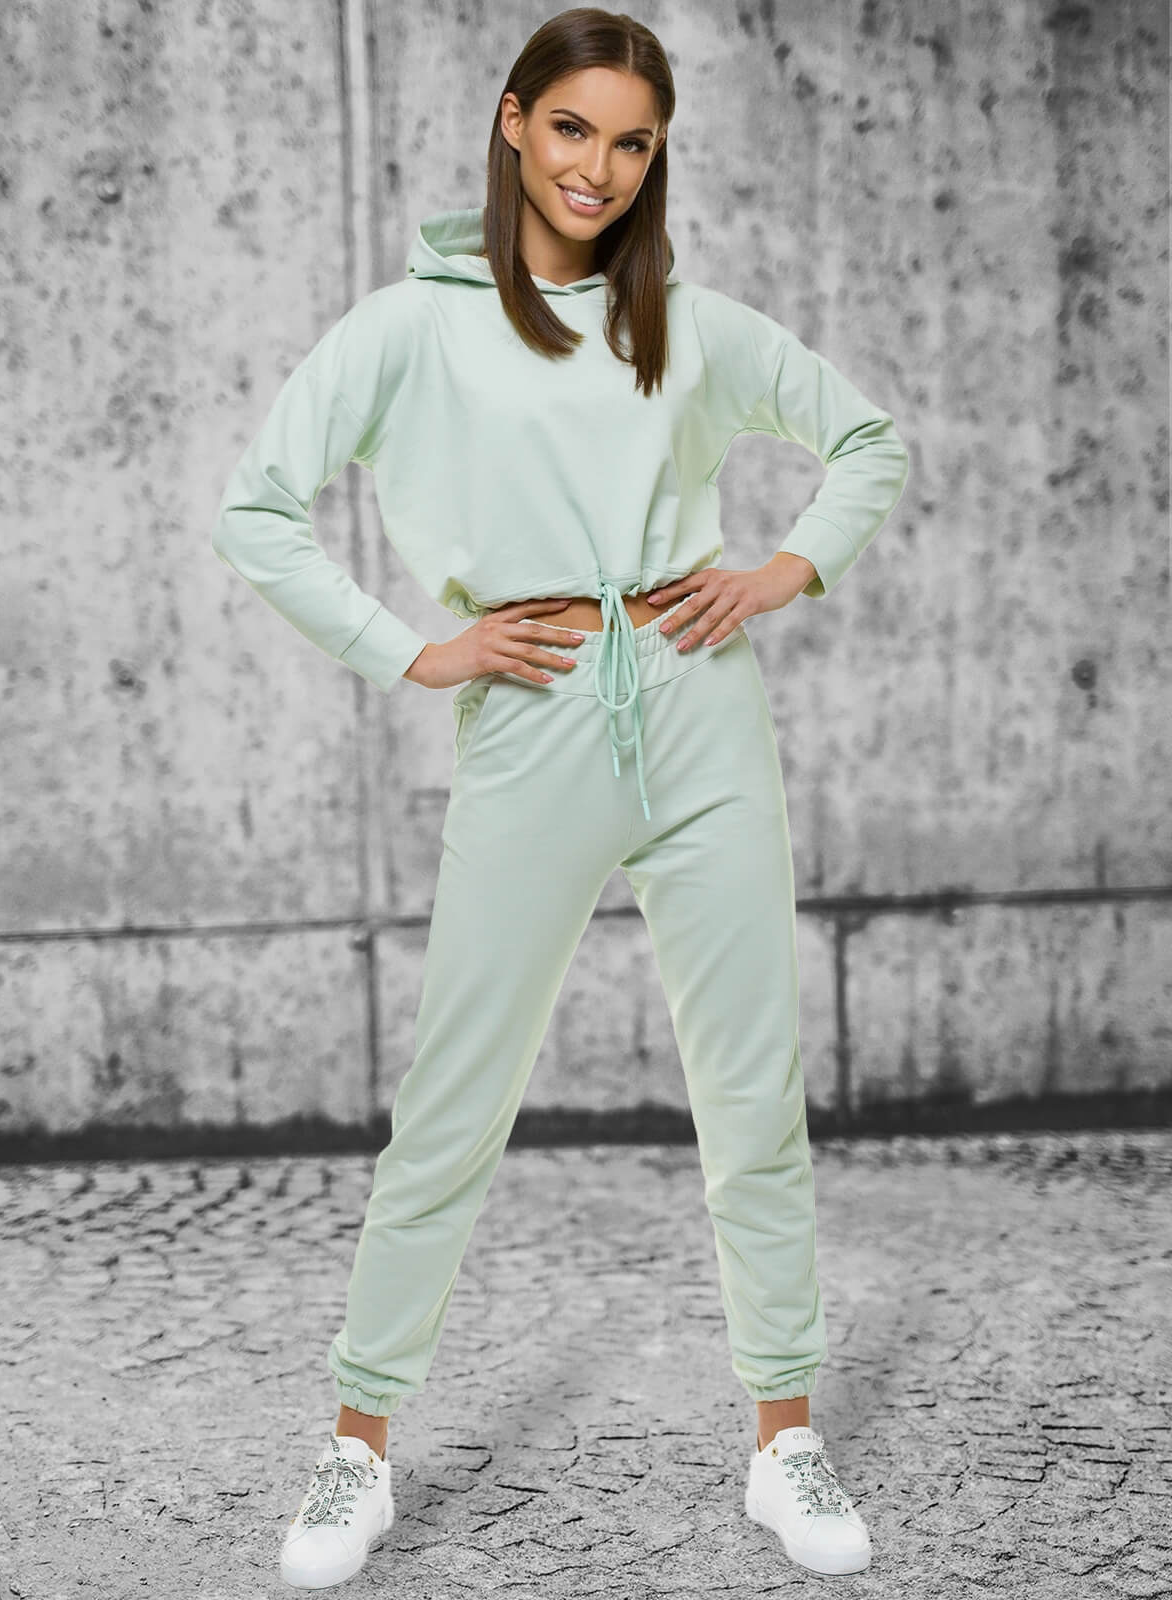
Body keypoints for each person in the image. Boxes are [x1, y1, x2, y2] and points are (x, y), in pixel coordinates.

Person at [210, 9, 909, 1589]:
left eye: (634, 142)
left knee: (754, 1093)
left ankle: (784, 1439)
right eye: (576, 127)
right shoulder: (412, 326)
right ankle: (356, 1448)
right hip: (531, 719)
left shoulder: (688, 325)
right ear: (515, 121)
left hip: (703, 713)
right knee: (453, 1106)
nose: (600, 167)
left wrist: (785, 569)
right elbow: (257, 510)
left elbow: (868, 440)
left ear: (657, 158)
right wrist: (415, 651)